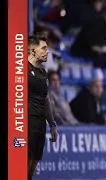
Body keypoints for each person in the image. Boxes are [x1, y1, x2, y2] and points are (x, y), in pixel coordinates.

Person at [28, 34, 58, 179]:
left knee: (34, 163)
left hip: (40, 123)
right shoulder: (21, 70)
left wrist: (52, 124)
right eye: (44, 48)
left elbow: (46, 99)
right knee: (24, 162)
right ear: (33, 50)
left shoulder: (42, 72)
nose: (47, 51)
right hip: (27, 122)